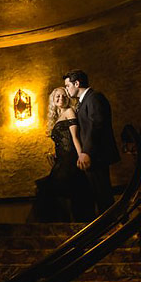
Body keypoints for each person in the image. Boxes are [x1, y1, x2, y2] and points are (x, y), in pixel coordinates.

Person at [30, 87, 93, 222]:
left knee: (53, 190)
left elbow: (75, 137)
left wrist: (81, 155)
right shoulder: (59, 116)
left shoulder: (69, 111)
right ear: (53, 99)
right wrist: (55, 156)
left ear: (68, 98)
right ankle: (61, 226)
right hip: (61, 160)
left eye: (64, 96)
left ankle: (63, 227)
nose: (61, 99)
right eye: (57, 96)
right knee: (56, 193)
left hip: (70, 159)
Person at [63, 69, 120, 216]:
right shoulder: (84, 102)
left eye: (68, 86)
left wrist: (86, 152)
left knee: (103, 196)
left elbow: (97, 126)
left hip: (96, 155)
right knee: (98, 196)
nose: (67, 90)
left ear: (77, 83)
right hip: (93, 155)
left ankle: (113, 230)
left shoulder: (94, 98)